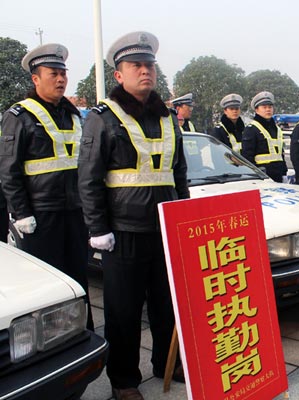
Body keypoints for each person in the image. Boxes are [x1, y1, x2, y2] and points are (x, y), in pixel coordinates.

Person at [77, 31, 190, 400]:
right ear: (119, 75)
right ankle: (124, 380)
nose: (145, 71)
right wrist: (98, 228)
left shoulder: (168, 118)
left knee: (165, 304)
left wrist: (186, 218)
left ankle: (165, 362)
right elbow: (89, 177)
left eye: (149, 65)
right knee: (123, 312)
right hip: (122, 233)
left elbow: (180, 175)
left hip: (164, 228)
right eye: (135, 66)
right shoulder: (102, 117)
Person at [0, 43, 93, 328]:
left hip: (75, 213)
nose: (61, 79)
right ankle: (51, 339)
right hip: (41, 217)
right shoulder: (19, 116)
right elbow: (8, 169)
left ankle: (82, 332)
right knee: (49, 285)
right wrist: (21, 213)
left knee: (77, 277)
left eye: (63, 73)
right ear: (36, 78)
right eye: (53, 73)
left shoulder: (73, 115)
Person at [241, 91, 287, 182]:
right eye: (264, 107)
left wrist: (284, 172)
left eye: (270, 107)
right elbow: (247, 157)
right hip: (262, 177)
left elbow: (280, 154)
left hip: (278, 176)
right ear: (257, 110)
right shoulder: (251, 129)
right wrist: (255, 176)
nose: (268, 109)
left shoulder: (277, 129)